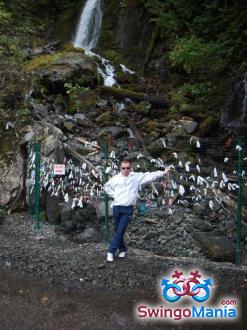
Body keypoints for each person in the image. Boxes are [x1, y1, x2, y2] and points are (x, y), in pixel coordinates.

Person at [104, 159, 171, 262]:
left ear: (130, 168)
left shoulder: (136, 177)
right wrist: (115, 195)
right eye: (123, 168)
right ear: (120, 168)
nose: (125, 170)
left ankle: (111, 251)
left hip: (128, 209)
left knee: (121, 229)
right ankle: (122, 249)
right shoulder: (115, 178)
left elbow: (149, 176)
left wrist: (163, 172)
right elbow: (106, 187)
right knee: (118, 230)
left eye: (127, 168)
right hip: (117, 207)